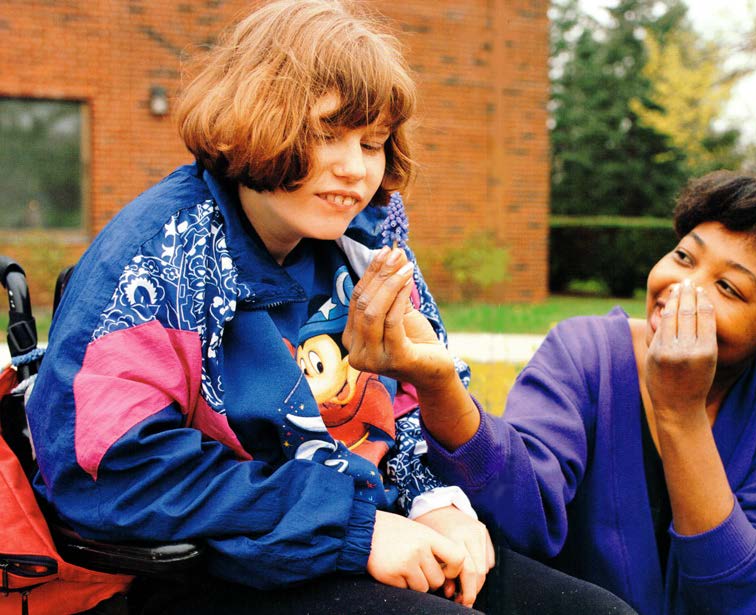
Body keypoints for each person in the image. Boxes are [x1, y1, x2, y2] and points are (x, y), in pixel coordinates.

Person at [25, 1, 634, 613]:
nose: (355, 169)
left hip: (376, 530)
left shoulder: (368, 236)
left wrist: (435, 501)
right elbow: (109, 468)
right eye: (326, 134)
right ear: (251, 119)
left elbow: (409, 400)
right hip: (221, 566)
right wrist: (354, 528)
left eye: (372, 144)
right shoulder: (157, 255)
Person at [377, 171, 756, 615]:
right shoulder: (586, 353)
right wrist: (440, 386)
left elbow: (752, 600)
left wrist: (681, 412)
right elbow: (519, 517)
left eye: (729, 288)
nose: (684, 289)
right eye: (684, 257)